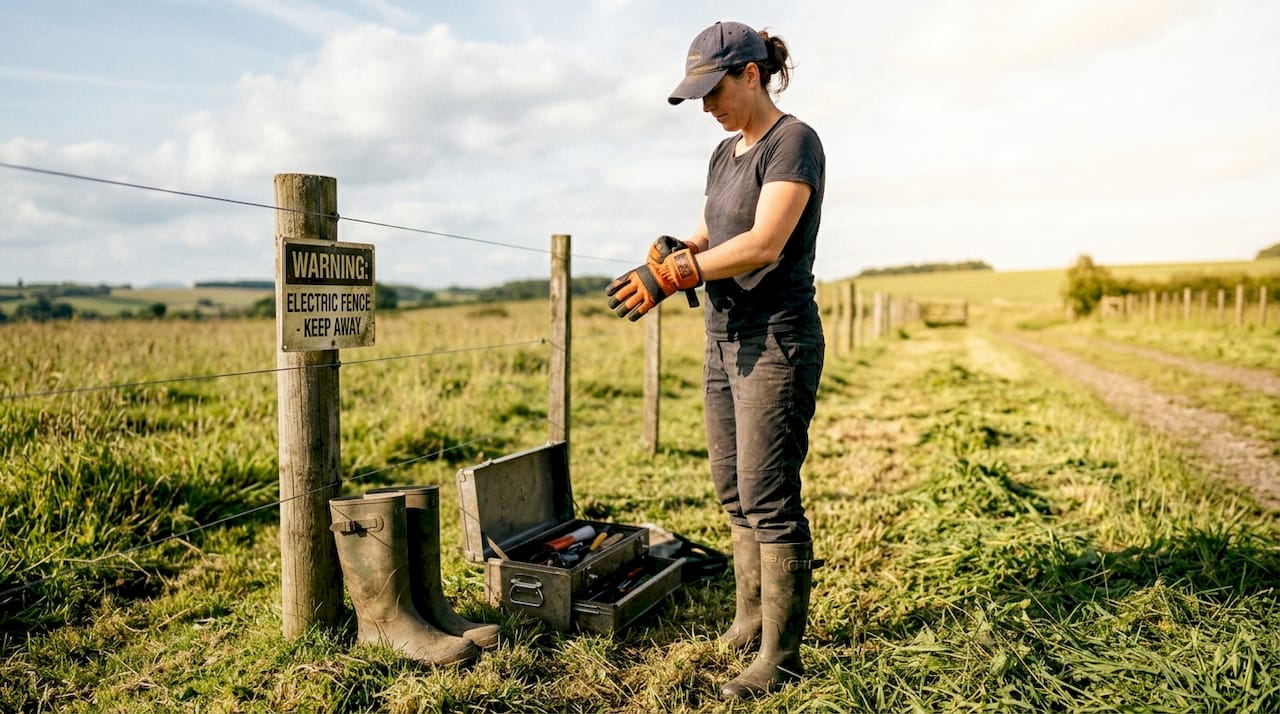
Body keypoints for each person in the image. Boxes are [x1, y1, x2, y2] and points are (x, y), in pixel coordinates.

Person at [605, 20, 826, 700]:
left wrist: (678, 276)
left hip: (775, 339)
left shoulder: (794, 143)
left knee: (769, 497)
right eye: (696, 95)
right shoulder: (725, 154)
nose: (706, 106)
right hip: (723, 339)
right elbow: (713, 232)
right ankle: (749, 620)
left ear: (751, 74)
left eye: (713, 90)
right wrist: (676, 247)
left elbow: (763, 243)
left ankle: (779, 658)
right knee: (733, 489)